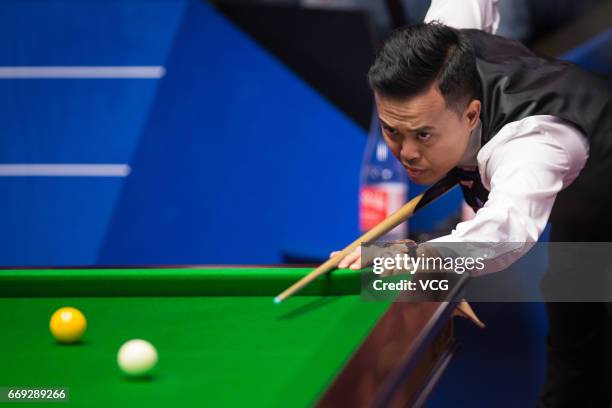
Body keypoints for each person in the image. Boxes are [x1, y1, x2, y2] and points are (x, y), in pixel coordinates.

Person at [331, 0, 612, 406]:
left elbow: (506, 232)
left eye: (423, 135)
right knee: (575, 352)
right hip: (585, 208)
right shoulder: (441, 47)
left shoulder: (532, 144)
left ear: (471, 114)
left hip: (596, 179)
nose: (406, 153)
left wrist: (418, 259)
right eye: (393, 131)